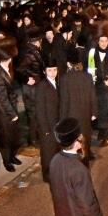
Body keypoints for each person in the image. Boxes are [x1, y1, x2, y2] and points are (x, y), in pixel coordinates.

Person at [59, 49, 98, 162]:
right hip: (86, 112)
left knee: (75, 138)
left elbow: (64, 101)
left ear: (68, 64)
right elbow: (93, 96)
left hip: (71, 114)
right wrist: (94, 112)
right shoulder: (87, 76)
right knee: (86, 133)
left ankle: (77, 157)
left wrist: (62, 119)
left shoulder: (64, 79)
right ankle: (87, 154)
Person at [0, 35, 23, 172]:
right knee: (5, 138)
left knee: (14, 136)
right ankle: (7, 161)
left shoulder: (9, 69)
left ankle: (12, 156)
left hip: (11, 107)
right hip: (4, 111)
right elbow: (2, 97)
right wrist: (12, 113)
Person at [35, 49, 62, 183]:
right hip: (47, 126)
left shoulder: (57, 84)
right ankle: (47, 175)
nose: (53, 73)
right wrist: (45, 129)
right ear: (45, 72)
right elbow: (39, 110)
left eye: (55, 70)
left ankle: (55, 172)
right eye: (50, 70)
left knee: (56, 150)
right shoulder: (42, 86)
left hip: (56, 124)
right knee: (47, 153)